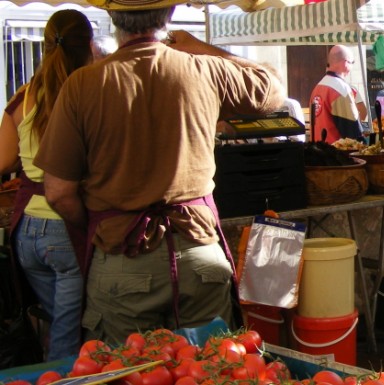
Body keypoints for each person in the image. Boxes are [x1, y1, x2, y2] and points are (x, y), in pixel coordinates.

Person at [34, 0, 285, 345]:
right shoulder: (204, 68)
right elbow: (272, 86)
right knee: (212, 370)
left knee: (130, 373)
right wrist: (202, 48)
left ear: (111, 15)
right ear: (168, 15)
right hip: (200, 255)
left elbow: (59, 192)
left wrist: (98, 225)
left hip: (123, 257)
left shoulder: (83, 84)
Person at [0, 9, 92, 361]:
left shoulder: (24, 97)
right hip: (66, 225)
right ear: (89, 46)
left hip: (26, 233)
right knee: (70, 335)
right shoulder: (88, 93)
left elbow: (4, 161)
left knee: (58, 325)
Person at [310, 46, 361, 143]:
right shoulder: (341, 89)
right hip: (336, 153)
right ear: (346, 63)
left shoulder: (317, 88)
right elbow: (352, 130)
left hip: (318, 151)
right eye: (352, 62)